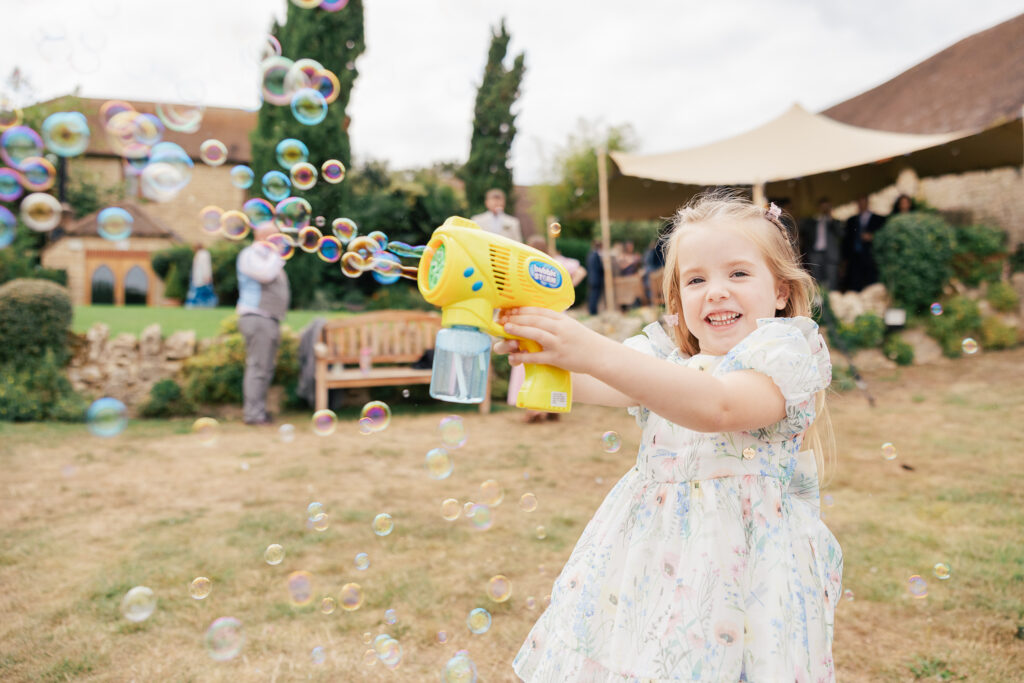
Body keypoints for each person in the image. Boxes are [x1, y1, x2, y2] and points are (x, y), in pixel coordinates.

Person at [497, 191, 841, 681]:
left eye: (738, 273)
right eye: (696, 279)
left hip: (741, 577)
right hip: (653, 562)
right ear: (679, 300)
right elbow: (584, 382)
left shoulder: (783, 357)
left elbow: (716, 406)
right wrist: (531, 343)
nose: (716, 291)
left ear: (782, 291)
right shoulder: (664, 360)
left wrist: (589, 348)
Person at [508, 235, 587, 422]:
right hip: (556, 318)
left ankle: (533, 409)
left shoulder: (526, 264)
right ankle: (554, 407)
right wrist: (569, 287)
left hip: (533, 318)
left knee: (531, 360)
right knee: (555, 362)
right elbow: (581, 270)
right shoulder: (556, 265)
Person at [236, 225, 291, 426]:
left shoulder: (267, 256)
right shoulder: (250, 254)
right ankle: (253, 414)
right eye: (276, 235)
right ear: (263, 236)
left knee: (265, 367)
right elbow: (266, 274)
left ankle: (259, 411)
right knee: (258, 367)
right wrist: (278, 254)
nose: (281, 239)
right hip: (257, 317)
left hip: (269, 318)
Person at [799, 197, 843, 292]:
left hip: (830, 256)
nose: (824, 210)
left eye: (826, 207)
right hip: (815, 255)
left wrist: (831, 218)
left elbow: (841, 234)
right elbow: (803, 233)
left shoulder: (835, 222)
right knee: (816, 283)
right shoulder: (812, 222)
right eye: (823, 207)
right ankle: (820, 304)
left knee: (832, 283)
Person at [842, 196, 884, 292]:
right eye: (859, 203)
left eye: (863, 202)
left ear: (867, 203)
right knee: (856, 283)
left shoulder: (878, 219)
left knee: (871, 282)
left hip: (871, 256)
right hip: (855, 256)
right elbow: (847, 241)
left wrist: (873, 237)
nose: (861, 205)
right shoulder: (851, 220)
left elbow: (883, 236)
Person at [185, 242, 218, 308]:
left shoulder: (204, 254)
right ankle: (200, 305)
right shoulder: (200, 254)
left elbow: (206, 266)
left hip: (202, 278)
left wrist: (207, 276)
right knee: (200, 293)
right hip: (198, 279)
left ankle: (207, 305)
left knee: (204, 293)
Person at [585, 239, 604, 315]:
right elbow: (599, 268)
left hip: (591, 278)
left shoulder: (590, 254)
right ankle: (593, 311)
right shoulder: (596, 255)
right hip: (596, 279)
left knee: (592, 295)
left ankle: (591, 310)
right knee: (594, 295)